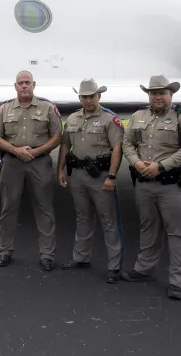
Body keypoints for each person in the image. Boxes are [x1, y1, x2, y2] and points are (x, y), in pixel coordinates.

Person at [120, 75, 181, 301]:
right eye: (153, 93)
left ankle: (177, 282)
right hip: (144, 184)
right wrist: (135, 162)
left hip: (172, 185)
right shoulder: (138, 116)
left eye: (162, 93)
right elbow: (127, 143)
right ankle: (144, 270)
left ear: (171, 95)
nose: (157, 96)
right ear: (148, 95)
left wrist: (161, 166)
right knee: (148, 228)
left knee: (179, 233)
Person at [0, 70, 63, 271]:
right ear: (15, 86)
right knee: (8, 207)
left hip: (39, 162)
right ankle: (4, 250)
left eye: (27, 82)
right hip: (12, 163)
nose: (24, 86)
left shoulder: (48, 108)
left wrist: (36, 151)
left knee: (44, 208)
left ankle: (47, 254)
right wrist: (15, 150)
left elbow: (58, 136)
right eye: (20, 83)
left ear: (34, 84)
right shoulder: (4, 109)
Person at [56, 79, 125, 283]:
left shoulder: (109, 119)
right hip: (77, 175)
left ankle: (114, 266)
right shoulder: (73, 119)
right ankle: (81, 257)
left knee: (108, 220)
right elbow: (65, 146)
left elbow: (118, 149)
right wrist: (60, 169)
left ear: (99, 97)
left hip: (100, 176)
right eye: (84, 96)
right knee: (82, 217)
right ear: (79, 98)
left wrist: (112, 176)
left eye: (91, 96)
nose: (87, 100)